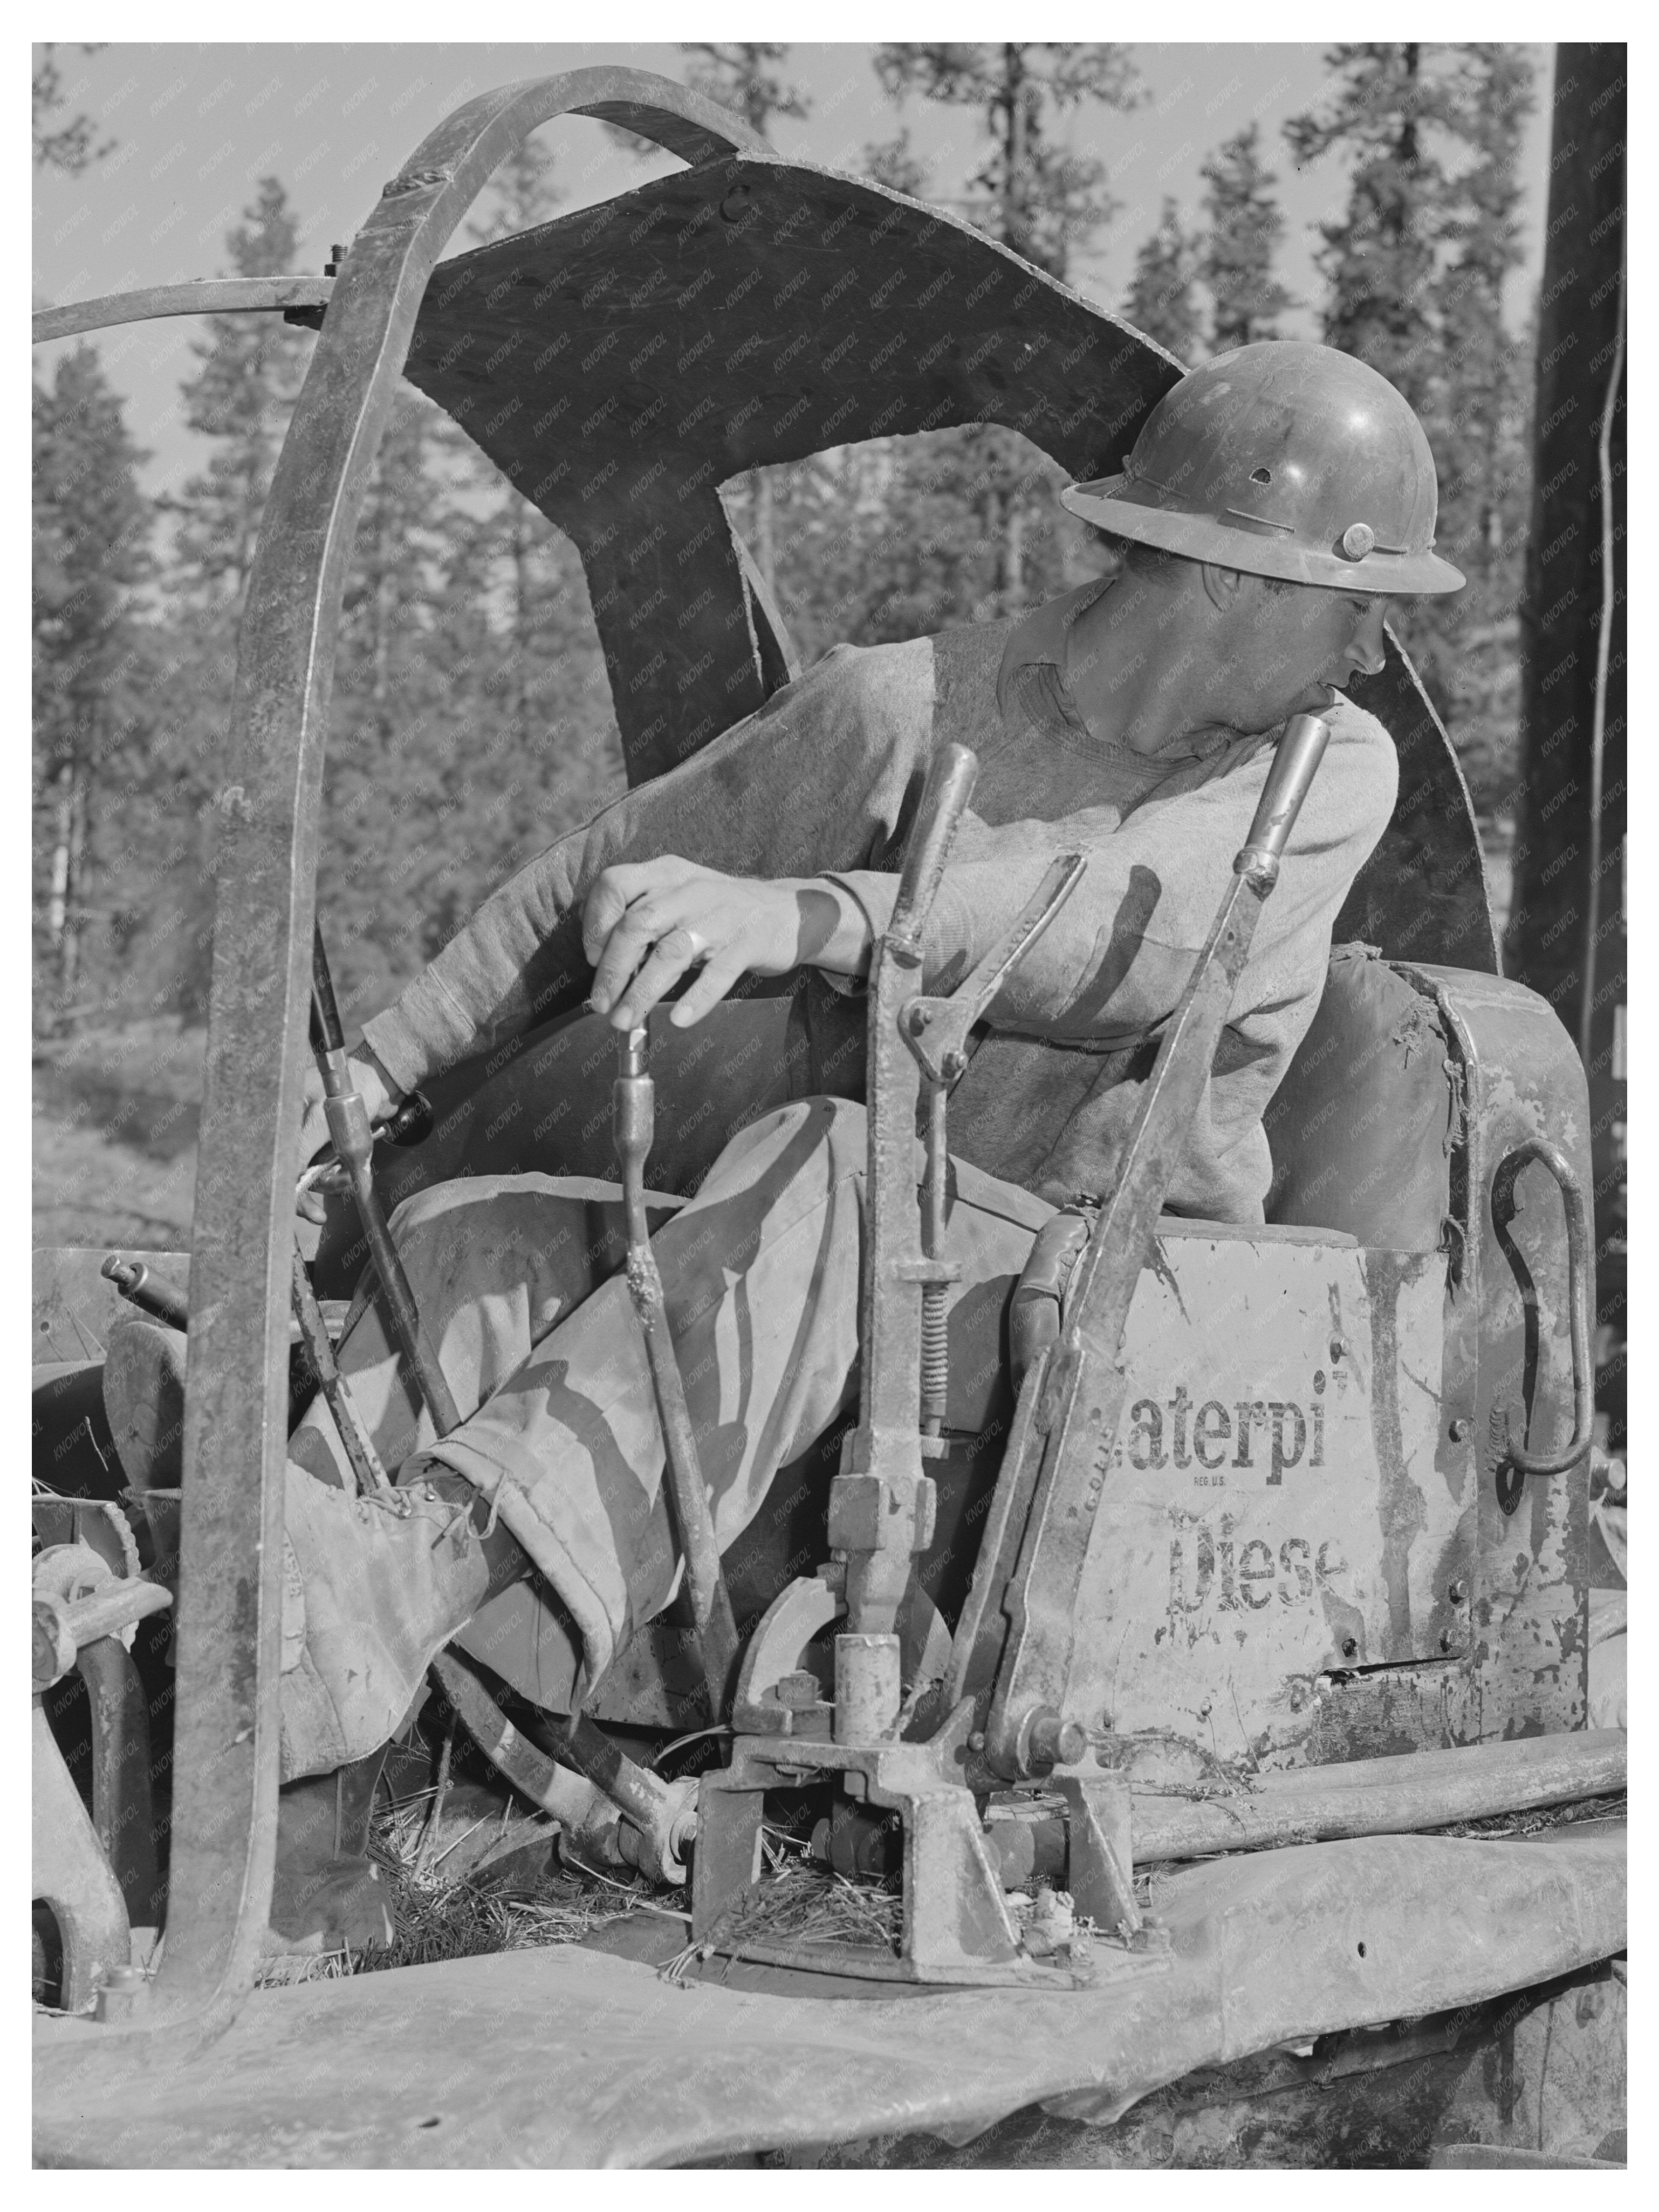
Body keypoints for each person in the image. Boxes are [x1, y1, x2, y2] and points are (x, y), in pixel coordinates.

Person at [106, 341, 1465, 1897]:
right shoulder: (896, 709)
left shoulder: (1328, 768)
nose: (1373, 656)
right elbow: (591, 885)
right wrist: (372, 1078)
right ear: (1238, 580)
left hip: (1149, 1321)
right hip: (880, 1298)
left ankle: (428, 1579)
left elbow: (1142, 939)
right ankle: (302, 1697)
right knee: (472, 1239)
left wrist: (818, 916)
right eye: (1364, 607)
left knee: (839, 1161)